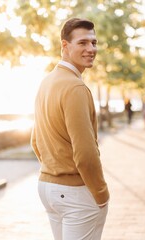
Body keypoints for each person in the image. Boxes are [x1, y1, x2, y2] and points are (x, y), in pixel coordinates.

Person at [31, 18, 110, 240]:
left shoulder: (47, 82)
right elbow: (86, 154)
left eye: (94, 43)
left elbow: (35, 141)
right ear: (65, 46)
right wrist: (101, 193)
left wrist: (53, 172)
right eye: (83, 43)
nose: (91, 49)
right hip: (76, 194)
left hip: (48, 188)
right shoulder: (75, 87)